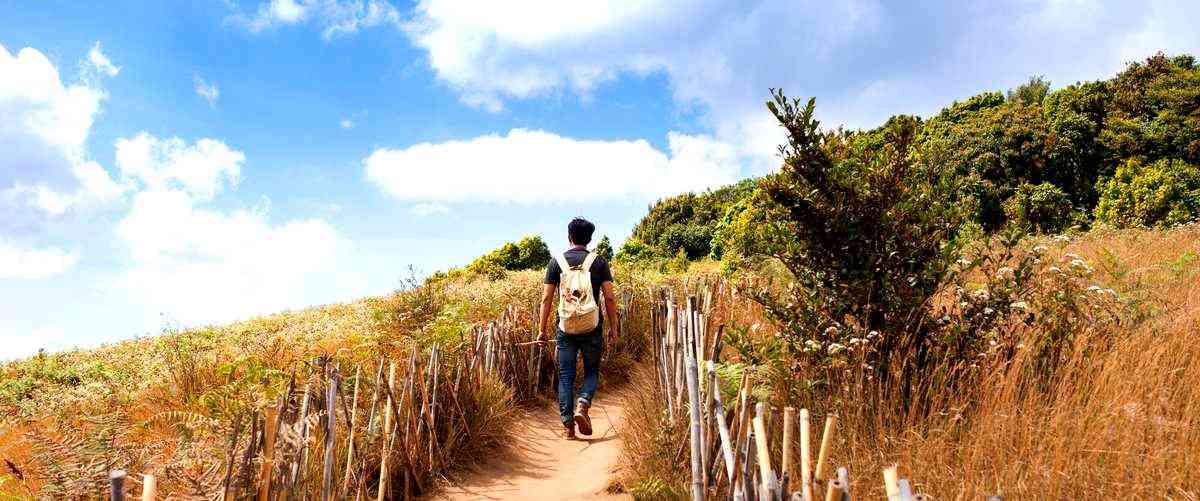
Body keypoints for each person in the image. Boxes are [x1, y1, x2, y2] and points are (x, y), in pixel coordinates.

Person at [538, 217, 620, 439]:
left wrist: (542, 330)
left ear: (569, 236)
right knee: (592, 370)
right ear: (590, 238)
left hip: (566, 327)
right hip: (592, 326)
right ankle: (583, 404)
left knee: (565, 375)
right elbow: (610, 298)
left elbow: (546, 299)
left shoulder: (556, 262)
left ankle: (567, 426)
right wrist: (614, 328)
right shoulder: (599, 262)